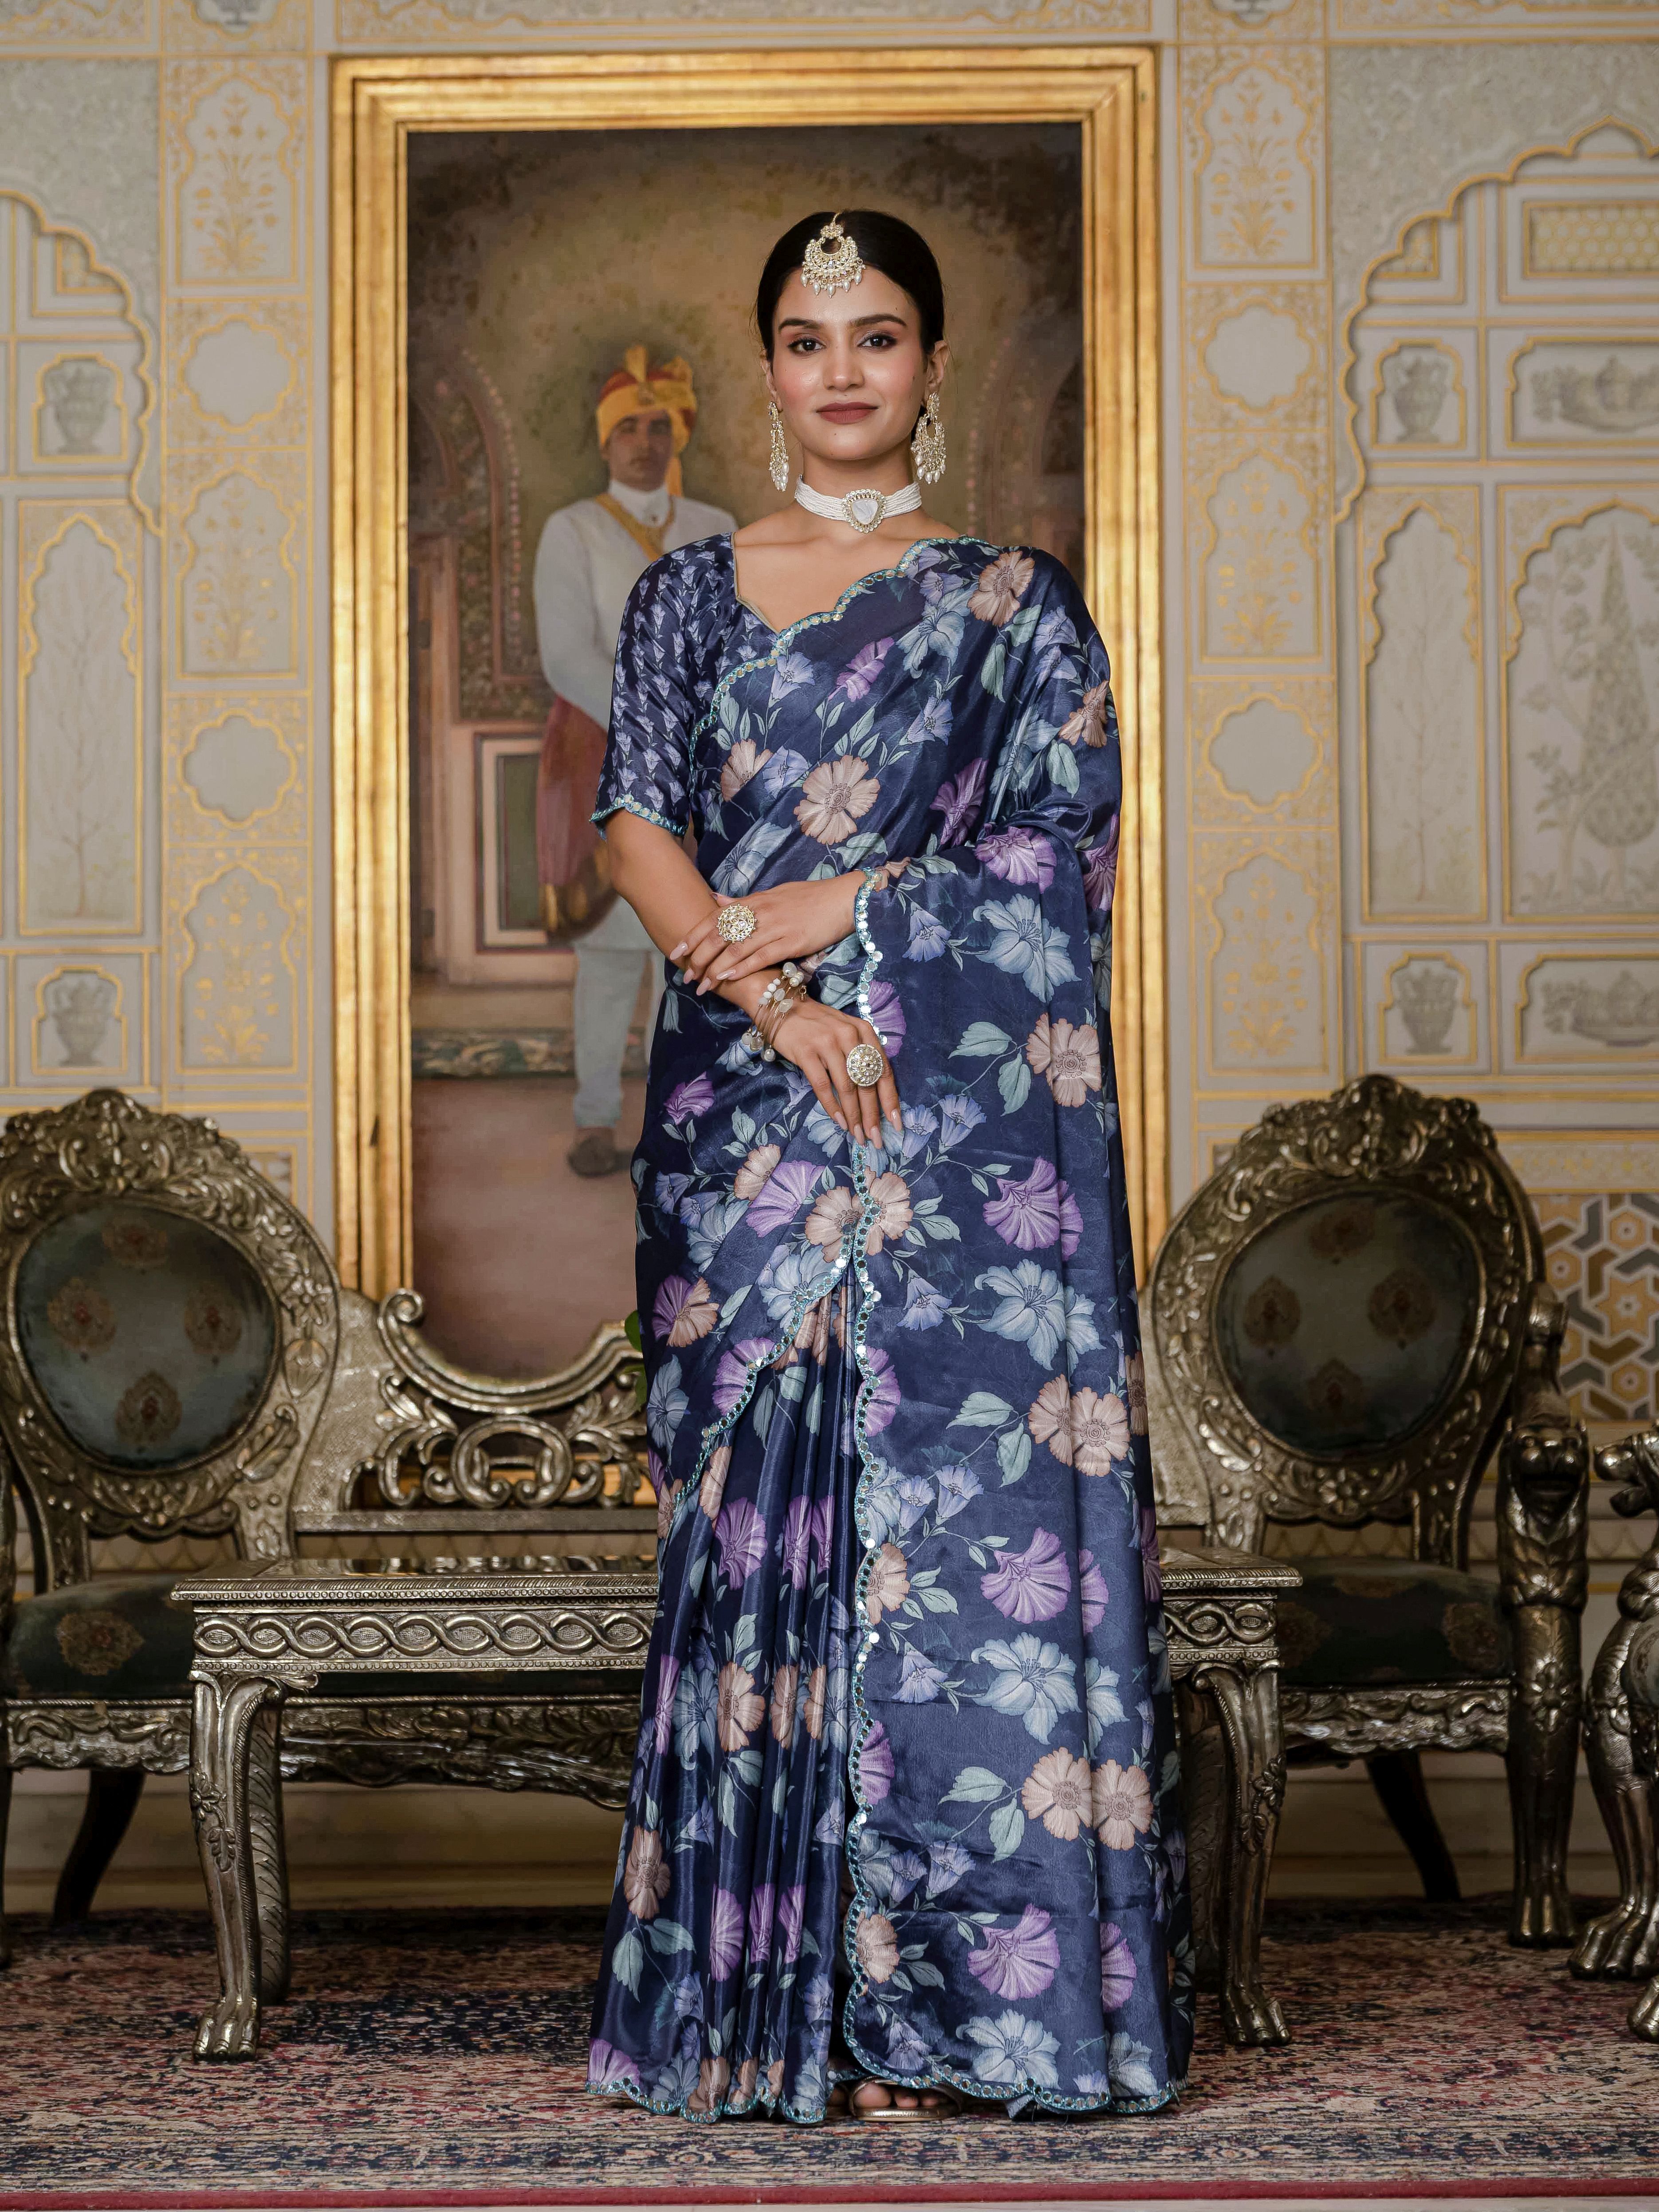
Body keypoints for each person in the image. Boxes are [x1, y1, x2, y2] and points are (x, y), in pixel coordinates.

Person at [586, 211, 1189, 2124]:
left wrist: (841, 903)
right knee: (759, 1522)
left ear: (929, 360)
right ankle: (762, 2008)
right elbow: (633, 826)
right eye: (803, 336)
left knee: (942, 1538)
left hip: (945, 1128)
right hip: (746, 1114)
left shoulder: (1013, 605)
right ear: (762, 365)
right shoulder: (687, 596)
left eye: (875, 335)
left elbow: (1055, 858)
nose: (838, 369)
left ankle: (936, 2011)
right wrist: (785, 1010)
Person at [533, 346, 735, 1178]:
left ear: (678, 434)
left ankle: (671, 1127)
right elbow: (566, 655)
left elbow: (734, 641)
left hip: (700, 760)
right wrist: (652, 730)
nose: (644, 444)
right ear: (605, 441)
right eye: (629, 430)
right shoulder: (573, 530)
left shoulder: (716, 526)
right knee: (612, 951)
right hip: (599, 751)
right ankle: (595, 1119)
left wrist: (698, 734)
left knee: (686, 950)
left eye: (659, 427)